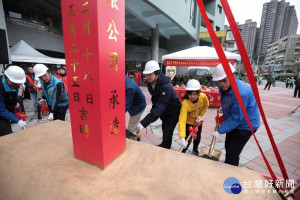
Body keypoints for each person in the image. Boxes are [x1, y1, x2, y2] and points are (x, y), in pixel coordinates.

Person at [212, 63, 260, 166]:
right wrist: (224, 108)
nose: (222, 84)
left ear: (232, 76)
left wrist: (220, 130)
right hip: (236, 120)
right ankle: (228, 164)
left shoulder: (241, 93)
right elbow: (228, 101)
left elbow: (237, 117)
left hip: (246, 125)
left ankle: (231, 171)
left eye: (224, 80)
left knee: (232, 151)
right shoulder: (223, 88)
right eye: (219, 81)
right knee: (228, 145)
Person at [137, 60, 181, 149]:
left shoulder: (166, 86)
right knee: (164, 128)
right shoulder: (150, 83)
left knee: (168, 130)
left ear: (157, 73)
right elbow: (157, 99)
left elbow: (159, 107)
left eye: (150, 74)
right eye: (146, 74)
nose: (148, 77)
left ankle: (165, 149)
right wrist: (154, 110)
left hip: (173, 112)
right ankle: (164, 145)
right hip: (164, 110)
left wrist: (143, 123)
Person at [178, 79, 209, 156]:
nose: (192, 97)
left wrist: (200, 114)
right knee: (187, 140)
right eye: (190, 94)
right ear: (187, 93)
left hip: (198, 122)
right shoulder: (185, 103)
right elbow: (182, 119)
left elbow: (206, 106)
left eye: (195, 94)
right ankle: (183, 151)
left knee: (197, 138)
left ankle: (195, 149)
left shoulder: (203, 97)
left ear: (199, 92)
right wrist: (182, 137)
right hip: (188, 123)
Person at [0, 65, 27, 136]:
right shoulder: (1, 88)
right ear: (6, 78)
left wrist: (15, 104)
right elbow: (1, 110)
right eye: (14, 82)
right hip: (1, 112)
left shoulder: (15, 84)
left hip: (6, 111)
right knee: (6, 135)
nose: (16, 85)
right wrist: (17, 120)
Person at [125, 76, 147, 140]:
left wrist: (117, 116)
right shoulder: (124, 79)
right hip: (135, 104)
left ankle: (133, 144)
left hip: (138, 107)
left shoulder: (129, 87)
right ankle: (137, 138)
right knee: (135, 124)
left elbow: (126, 105)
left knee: (131, 128)